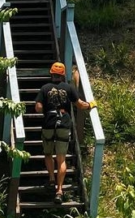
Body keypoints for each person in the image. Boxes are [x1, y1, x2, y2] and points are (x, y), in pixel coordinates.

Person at [35, 62, 94, 204]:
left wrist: (45, 109)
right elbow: (80, 105)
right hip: (64, 123)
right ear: (62, 75)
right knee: (61, 158)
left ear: (51, 74)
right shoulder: (68, 88)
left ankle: (50, 179)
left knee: (48, 153)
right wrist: (91, 104)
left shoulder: (44, 88)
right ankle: (59, 190)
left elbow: (38, 108)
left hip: (49, 123)